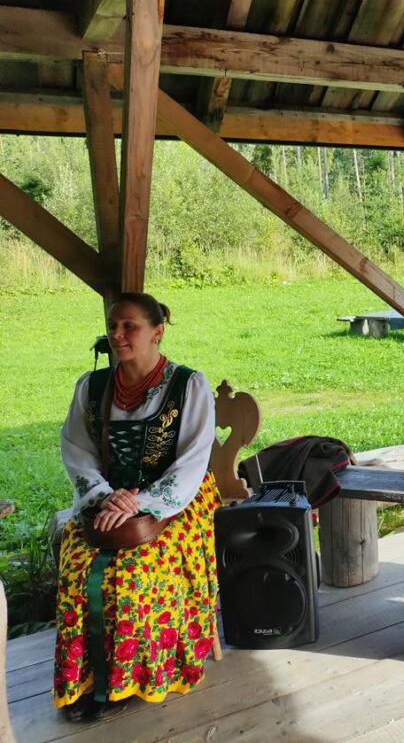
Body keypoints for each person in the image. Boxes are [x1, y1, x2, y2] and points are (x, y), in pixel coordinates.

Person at [53, 292, 219, 721]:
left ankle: (131, 678)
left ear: (157, 332)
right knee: (78, 568)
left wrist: (140, 501)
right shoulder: (91, 387)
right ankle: (87, 679)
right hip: (105, 497)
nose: (117, 334)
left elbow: (192, 462)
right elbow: (76, 449)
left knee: (135, 573)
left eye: (129, 326)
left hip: (173, 500)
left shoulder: (189, 386)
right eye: (113, 326)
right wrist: (107, 495)